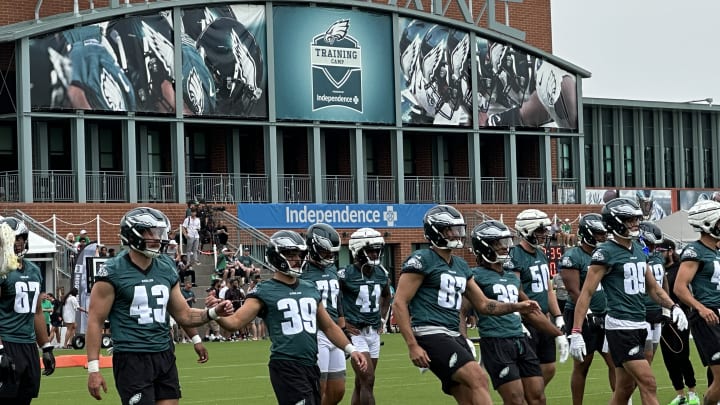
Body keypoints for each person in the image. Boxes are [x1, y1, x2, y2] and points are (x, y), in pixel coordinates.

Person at [392, 204, 541, 404]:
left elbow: (484, 305)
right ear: (437, 232)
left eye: (457, 229)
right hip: (431, 331)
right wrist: (412, 345)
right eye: (451, 230)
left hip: (452, 334)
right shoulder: (421, 259)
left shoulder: (461, 265)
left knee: (468, 397)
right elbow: (399, 303)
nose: (457, 234)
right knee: (478, 377)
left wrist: (517, 306)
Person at [86, 207, 233, 402]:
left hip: (164, 352)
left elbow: (184, 315)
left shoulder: (165, 266)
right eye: (152, 232)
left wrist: (213, 312)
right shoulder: (113, 271)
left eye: (159, 232)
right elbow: (95, 321)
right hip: (132, 356)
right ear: (133, 234)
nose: (158, 238)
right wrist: (94, 369)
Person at [208, 230, 367, 405]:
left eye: (299, 255)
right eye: (291, 255)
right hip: (286, 365)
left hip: (310, 364)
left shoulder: (310, 288)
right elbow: (235, 322)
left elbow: (329, 326)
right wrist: (216, 313)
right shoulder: (264, 290)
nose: (297, 259)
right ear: (277, 256)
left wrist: (351, 350)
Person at [569, 197, 688, 405]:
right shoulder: (605, 253)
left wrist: (673, 306)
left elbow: (653, 288)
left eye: (636, 219)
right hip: (620, 326)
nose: (635, 224)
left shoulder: (639, 250)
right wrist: (577, 331)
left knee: (624, 390)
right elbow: (586, 293)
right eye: (630, 220)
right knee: (648, 382)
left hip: (640, 323)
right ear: (615, 222)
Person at [465, 220, 566, 405]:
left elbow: (530, 310)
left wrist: (558, 334)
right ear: (485, 246)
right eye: (499, 243)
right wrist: (463, 340)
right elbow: (461, 312)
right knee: (515, 399)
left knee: (537, 397)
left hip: (520, 340)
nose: (505, 247)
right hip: (496, 341)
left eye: (506, 242)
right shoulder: (475, 276)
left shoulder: (511, 276)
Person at [559, 213, 616, 405]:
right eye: (599, 234)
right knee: (583, 364)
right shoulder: (573, 256)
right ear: (588, 233)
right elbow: (574, 291)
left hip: (606, 313)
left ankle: (622, 400)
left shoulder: (607, 253)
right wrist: (589, 313)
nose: (603, 237)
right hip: (581, 315)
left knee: (615, 362)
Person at [0, 217, 56, 404]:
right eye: (13, 238)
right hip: (7, 342)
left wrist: (46, 346)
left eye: (21, 238)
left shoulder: (34, 270)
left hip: (28, 345)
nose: (18, 242)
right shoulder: (2, 270)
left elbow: (37, 311)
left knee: (25, 398)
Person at [508, 208, 566, 386]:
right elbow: (515, 288)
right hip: (527, 320)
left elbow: (548, 289)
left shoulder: (541, 253)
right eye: (540, 230)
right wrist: (533, 309)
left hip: (544, 319)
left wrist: (558, 316)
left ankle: (530, 398)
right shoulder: (515, 254)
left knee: (549, 368)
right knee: (529, 371)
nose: (544, 234)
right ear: (526, 230)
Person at [674, 199, 720, 404]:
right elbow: (679, 287)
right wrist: (701, 308)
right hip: (707, 316)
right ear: (708, 223)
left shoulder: (715, 251)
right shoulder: (695, 251)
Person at [339, 228, 391, 405]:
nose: (375, 253)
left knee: (361, 382)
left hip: (373, 333)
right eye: (370, 250)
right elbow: (333, 299)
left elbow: (386, 295)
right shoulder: (345, 275)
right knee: (368, 379)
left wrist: (382, 318)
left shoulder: (381, 273)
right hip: (356, 333)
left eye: (377, 250)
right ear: (358, 251)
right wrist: (343, 322)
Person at [299, 223, 345, 405]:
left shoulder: (332, 269)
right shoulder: (302, 272)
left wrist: (343, 329)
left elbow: (338, 300)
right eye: (326, 251)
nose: (330, 256)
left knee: (338, 389)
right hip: (315, 333)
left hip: (334, 331)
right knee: (319, 387)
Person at [660, 239, 700, 405]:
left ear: (670, 251)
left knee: (682, 355)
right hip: (662, 318)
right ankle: (680, 394)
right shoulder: (658, 269)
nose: (659, 254)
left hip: (680, 317)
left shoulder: (680, 268)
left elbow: (684, 291)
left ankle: (692, 392)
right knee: (668, 358)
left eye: (662, 250)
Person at [638, 221, 667, 365]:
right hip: (642, 310)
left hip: (657, 310)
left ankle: (639, 385)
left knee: (651, 356)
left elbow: (664, 282)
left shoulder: (658, 257)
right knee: (647, 354)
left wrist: (667, 307)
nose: (653, 247)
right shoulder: (637, 256)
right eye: (650, 243)